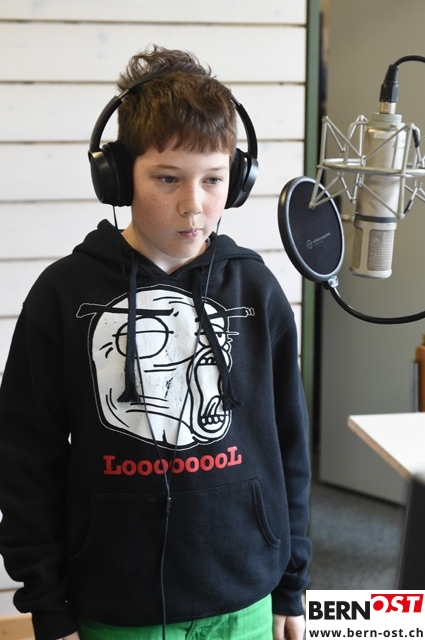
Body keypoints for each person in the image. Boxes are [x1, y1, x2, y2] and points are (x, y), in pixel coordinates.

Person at [0, 45, 311, 640]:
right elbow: (25, 459)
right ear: (117, 177)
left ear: (237, 181)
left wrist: (291, 586)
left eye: (214, 180)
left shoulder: (257, 289)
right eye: (168, 179)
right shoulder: (62, 294)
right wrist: (47, 604)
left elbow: (289, 447)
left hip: (247, 597)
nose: (195, 205)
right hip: (114, 604)